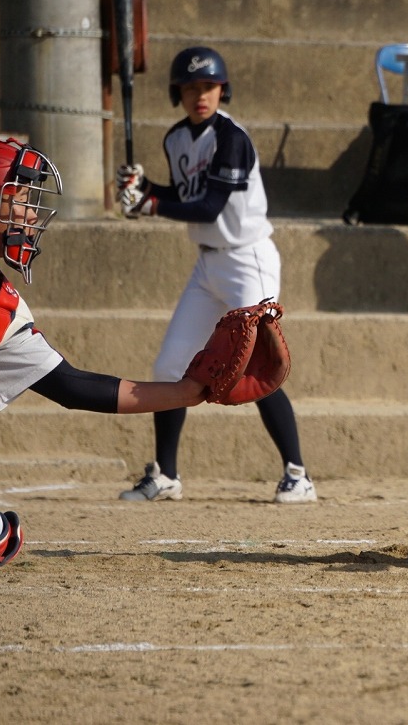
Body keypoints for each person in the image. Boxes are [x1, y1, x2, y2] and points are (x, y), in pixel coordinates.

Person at [0, 137, 211, 568]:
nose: (31, 215)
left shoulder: (0, 306)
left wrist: (190, 392)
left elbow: (72, 387)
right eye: (18, 199)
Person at [116, 47, 316, 503]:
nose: (199, 95)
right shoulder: (175, 139)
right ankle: (165, 475)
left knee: (255, 364)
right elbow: (187, 193)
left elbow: (210, 205)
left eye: (208, 86)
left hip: (250, 260)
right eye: (190, 88)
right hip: (209, 263)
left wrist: (150, 206)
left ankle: (298, 474)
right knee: (169, 366)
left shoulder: (232, 138)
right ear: (178, 94)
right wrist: (143, 188)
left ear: (222, 89)